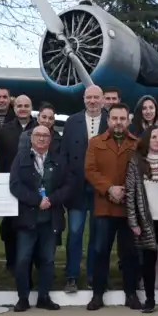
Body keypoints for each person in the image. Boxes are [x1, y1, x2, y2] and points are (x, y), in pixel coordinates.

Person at [85, 103, 140, 310]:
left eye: (122, 119)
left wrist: (125, 190)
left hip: (128, 209)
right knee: (100, 251)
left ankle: (131, 294)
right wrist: (109, 189)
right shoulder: (95, 143)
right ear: (108, 121)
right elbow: (90, 170)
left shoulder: (136, 144)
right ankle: (98, 294)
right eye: (115, 119)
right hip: (104, 206)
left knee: (130, 253)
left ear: (128, 121)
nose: (118, 123)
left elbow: (141, 172)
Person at [9, 122, 70, 311]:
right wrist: (37, 201)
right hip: (27, 219)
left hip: (50, 219)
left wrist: (51, 199)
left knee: (48, 260)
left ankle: (44, 296)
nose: (42, 138)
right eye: (38, 135)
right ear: (31, 138)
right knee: (23, 259)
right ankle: (23, 298)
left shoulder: (59, 160)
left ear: (50, 139)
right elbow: (15, 186)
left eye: (45, 135)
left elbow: (68, 186)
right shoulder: (21, 159)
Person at [58, 85, 107, 293]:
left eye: (96, 97)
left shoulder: (110, 121)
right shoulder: (72, 121)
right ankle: (71, 276)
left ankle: (93, 276)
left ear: (103, 100)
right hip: (77, 187)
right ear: (84, 99)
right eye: (89, 97)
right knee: (75, 233)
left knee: (98, 234)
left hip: (100, 189)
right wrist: (68, 181)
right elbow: (65, 154)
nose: (93, 101)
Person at [125, 125, 158, 314]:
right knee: (148, 261)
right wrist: (134, 222)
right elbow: (130, 194)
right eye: (154, 137)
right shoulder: (136, 162)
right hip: (146, 220)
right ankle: (150, 300)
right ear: (147, 139)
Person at [0, 95, 36, 266]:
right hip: (10, 183)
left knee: (33, 225)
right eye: (19, 105)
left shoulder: (39, 127)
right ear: (14, 108)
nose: (22, 108)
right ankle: (11, 262)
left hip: (34, 184)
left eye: (26, 105)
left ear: (31, 107)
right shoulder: (5, 130)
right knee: (10, 225)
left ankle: (34, 261)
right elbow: (1, 157)